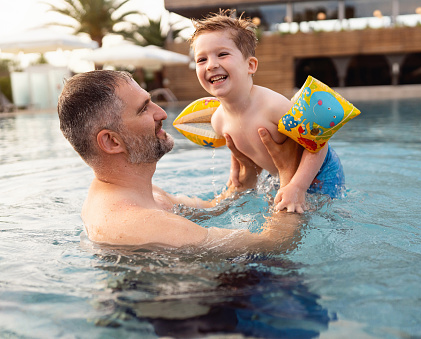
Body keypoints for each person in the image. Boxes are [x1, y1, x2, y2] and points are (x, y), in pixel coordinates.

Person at [57, 70, 302, 253]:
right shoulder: (139, 223)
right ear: (111, 141)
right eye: (143, 109)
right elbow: (276, 244)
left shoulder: (136, 193)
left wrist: (243, 182)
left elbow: (211, 207)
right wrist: (290, 175)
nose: (162, 113)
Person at [190, 10, 345, 213]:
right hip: (278, 174)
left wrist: (298, 186)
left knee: (322, 215)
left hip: (322, 172)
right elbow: (237, 146)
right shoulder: (218, 120)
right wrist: (234, 171)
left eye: (222, 54)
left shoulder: (272, 106)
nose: (211, 65)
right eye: (202, 60)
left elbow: (319, 142)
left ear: (250, 65)